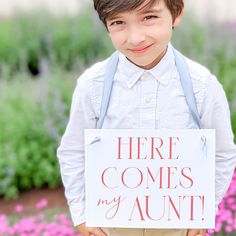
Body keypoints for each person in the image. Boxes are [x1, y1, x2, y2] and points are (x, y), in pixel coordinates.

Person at [57, 0, 236, 235]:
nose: (135, 38)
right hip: (113, 226)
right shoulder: (93, 85)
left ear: (176, 13)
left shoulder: (201, 86)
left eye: (148, 17)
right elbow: (73, 151)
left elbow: (222, 153)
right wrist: (81, 213)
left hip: (178, 227)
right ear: (106, 25)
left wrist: (204, 209)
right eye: (118, 22)